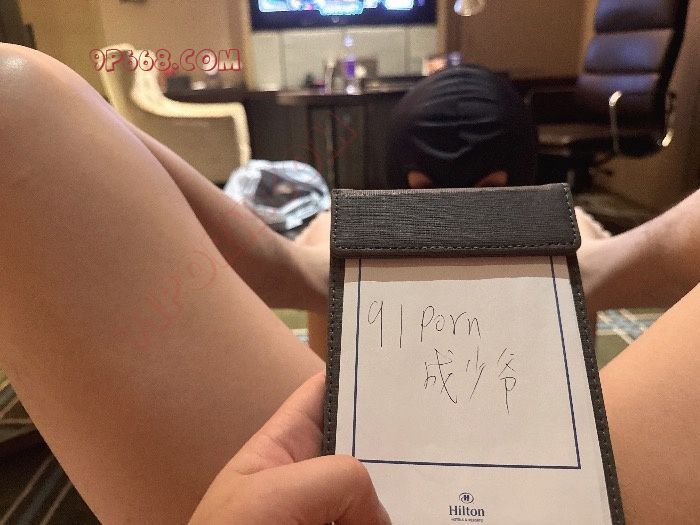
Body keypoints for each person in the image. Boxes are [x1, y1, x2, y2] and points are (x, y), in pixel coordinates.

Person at [0, 44, 698, 524]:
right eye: (422, 193)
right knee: (14, 101)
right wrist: (310, 272)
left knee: (14, 102)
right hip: (350, 489)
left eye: (489, 190)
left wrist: (587, 266)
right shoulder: (333, 238)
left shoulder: (579, 237)